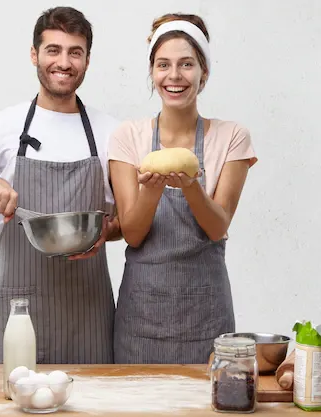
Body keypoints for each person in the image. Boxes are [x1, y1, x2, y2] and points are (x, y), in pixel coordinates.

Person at [0, 6, 121, 364]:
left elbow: (128, 223)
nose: (64, 62)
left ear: (87, 60)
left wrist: (106, 231)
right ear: (35, 54)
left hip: (89, 310)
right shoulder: (3, 126)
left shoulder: (111, 132)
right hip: (21, 307)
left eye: (75, 52)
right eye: (53, 50)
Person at [108, 13, 258, 364]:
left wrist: (191, 187)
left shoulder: (232, 136)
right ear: (152, 72)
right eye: (163, 65)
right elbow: (132, 233)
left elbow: (218, 227)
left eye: (186, 64)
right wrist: (153, 190)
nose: (174, 76)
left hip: (206, 316)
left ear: (203, 73)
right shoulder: (129, 137)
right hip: (141, 319)